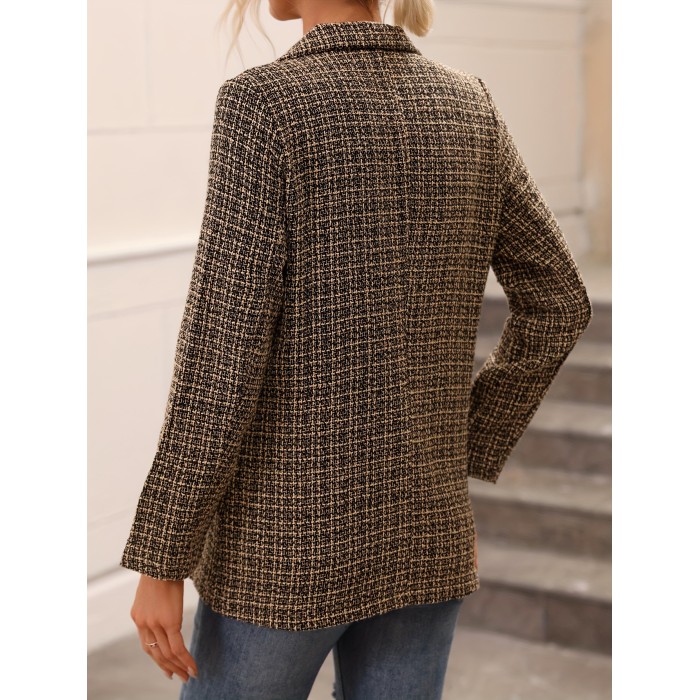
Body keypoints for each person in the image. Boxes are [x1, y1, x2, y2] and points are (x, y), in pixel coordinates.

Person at [118, 0, 593, 697]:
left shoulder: (265, 105)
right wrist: (457, 448)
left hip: (283, 548)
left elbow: (223, 355)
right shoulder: (470, 106)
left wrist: (163, 555)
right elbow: (560, 302)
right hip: (425, 532)